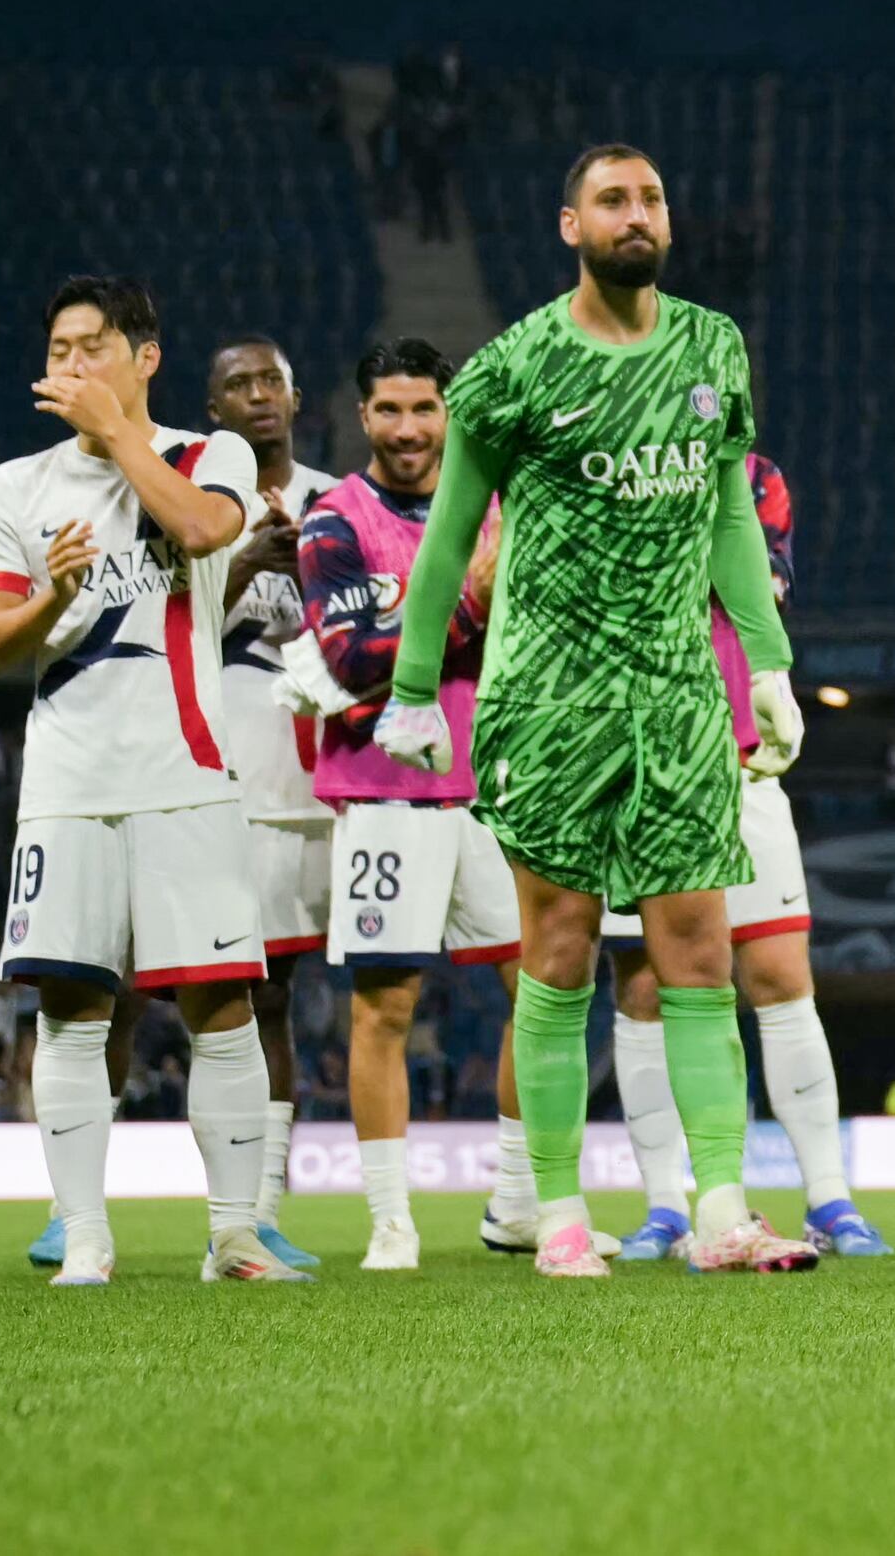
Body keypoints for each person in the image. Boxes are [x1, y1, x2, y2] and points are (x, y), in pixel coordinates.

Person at [365, 147, 811, 1277]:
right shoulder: (513, 363)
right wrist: (414, 689)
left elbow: (728, 518)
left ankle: (719, 1208)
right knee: (557, 954)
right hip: (549, 694)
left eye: (652, 196)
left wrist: (766, 664)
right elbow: (451, 531)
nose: (636, 214)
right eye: (612, 199)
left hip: (675, 692)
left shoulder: (713, 346)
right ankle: (559, 1215)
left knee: (697, 954)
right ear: (570, 223)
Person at [0, 274, 284, 1286]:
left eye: (92, 346)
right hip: (66, 778)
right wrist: (53, 596)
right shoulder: (14, 486)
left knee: (219, 1004)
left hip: (185, 774)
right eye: (58, 348)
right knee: (68, 1007)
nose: (70, 366)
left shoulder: (209, 454)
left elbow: (200, 532)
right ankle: (86, 1236)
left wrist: (120, 439)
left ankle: (234, 1235)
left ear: (143, 358)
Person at [286, 340, 540, 1270]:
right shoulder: (334, 520)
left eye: (424, 409)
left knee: (542, 993)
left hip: (503, 784)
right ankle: (391, 1220)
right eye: (388, 410)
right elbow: (351, 656)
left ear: (450, 414)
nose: (406, 429)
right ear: (362, 417)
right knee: (385, 1009)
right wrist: (467, 608)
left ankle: (517, 1202)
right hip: (384, 790)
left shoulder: (499, 507)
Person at [605, 449, 877, 1261]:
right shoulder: (591, 462)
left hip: (737, 749)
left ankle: (830, 1196)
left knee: (780, 975)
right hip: (628, 756)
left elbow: (756, 583)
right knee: (645, 984)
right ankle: (666, 1206)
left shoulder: (752, 475)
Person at [195, 336, 336, 1274]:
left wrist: (317, 568)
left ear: (295, 394)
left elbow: (378, 614)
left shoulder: (339, 501)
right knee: (238, 994)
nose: (259, 397)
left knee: (311, 992)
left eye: (272, 381)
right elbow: (166, 628)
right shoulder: (194, 506)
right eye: (239, 385)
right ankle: (248, 1208)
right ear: (213, 409)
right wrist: (245, 560)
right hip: (231, 772)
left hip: (329, 773)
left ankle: (273, 1206)